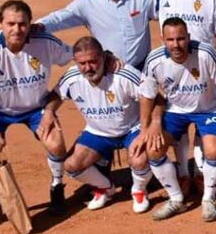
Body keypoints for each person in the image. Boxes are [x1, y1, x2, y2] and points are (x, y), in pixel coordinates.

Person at [0, 0, 73, 230]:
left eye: (22, 24)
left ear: (31, 24)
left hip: (35, 107)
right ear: (0, 23)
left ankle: (57, 187)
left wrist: (52, 106)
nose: (16, 29)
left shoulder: (45, 42)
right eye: (10, 23)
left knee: (56, 143)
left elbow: (76, 57)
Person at [138, 18, 216, 222]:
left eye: (180, 39)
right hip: (175, 111)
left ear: (188, 37)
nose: (176, 44)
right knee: (153, 149)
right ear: (162, 39)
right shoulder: (154, 60)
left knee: (213, 149)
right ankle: (176, 199)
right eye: (170, 39)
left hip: (208, 109)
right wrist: (146, 127)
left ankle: (208, 200)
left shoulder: (206, 53)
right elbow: (147, 96)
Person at [46, 37, 154, 212]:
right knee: (71, 166)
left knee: (139, 160)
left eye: (93, 61)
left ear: (104, 57)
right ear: (76, 62)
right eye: (82, 63)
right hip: (97, 132)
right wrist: (49, 112)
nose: (88, 67)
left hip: (130, 129)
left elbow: (150, 94)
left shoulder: (122, 73)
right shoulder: (71, 77)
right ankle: (105, 187)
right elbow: (55, 96)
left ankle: (139, 190)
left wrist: (145, 128)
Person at [154, 0, 216, 183]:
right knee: (178, 116)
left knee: (202, 120)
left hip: (204, 68)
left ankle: (200, 170)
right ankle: (184, 171)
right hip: (174, 66)